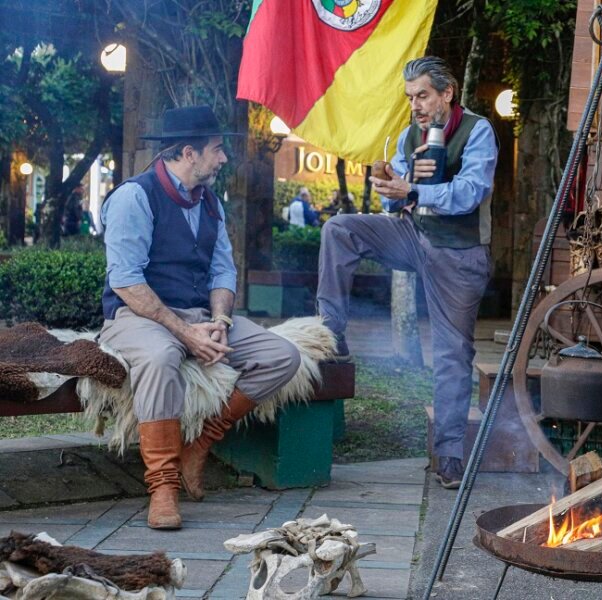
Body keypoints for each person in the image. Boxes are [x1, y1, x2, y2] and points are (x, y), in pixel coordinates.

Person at [99, 105, 301, 530]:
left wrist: (221, 321)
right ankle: (163, 486)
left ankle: (202, 441)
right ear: (189, 153)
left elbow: (223, 270)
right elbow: (127, 283)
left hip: (198, 314)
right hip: (137, 316)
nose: (223, 157)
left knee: (282, 355)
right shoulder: (133, 197)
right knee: (158, 358)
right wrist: (186, 334)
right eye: (216, 149)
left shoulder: (211, 201)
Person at [317, 56, 498, 489]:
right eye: (410, 97)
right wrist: (389, 187)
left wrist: (416, 188)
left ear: (447, 93)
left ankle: (450, 454)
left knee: (452, 354)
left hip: (459, 252)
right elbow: (393, 204)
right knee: (340, 228)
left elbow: (471, 193)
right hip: (413, 236)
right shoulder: (408, 136)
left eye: (423, 96)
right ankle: (331, 332)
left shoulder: (477, 131)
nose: (415, 105)